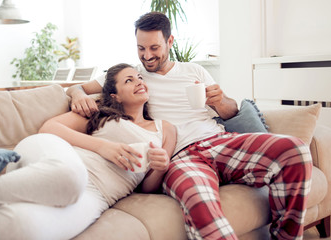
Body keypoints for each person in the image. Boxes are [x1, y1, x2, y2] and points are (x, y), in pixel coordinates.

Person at [65, 12, 312, 240]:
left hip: (219, 141)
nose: (147, 55)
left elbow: (229, 111)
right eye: (141, 48)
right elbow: (75, 87)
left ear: (170, 41)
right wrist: (77, 96)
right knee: (199, 201)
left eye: (154, 48)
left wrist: (220, 101)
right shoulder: (133, 75)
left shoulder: (194, 70)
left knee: (295, 150)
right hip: (180, 157)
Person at [0, 63, 176, 240]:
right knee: (71, 177)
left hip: (98, 194)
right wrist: (104, 147)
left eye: (140, 78)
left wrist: (161, 167)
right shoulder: (102, 113)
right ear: (116, 96)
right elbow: (49, 128)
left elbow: (147, 187)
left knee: (23, 228)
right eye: (129, 80)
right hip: (53, 157)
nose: (139, 82)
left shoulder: (165, 129)